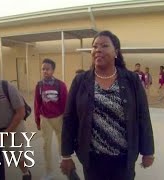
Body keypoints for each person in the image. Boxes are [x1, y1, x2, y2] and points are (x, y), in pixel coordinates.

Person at [60, 30, 155, 180]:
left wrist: (148, 151)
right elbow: (69, 118)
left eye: (104, 46)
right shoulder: (80, 80)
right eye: (95, 46)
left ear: (116, 52)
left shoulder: (132, 80)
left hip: (123, 160)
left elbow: (143, 116)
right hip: (92, 160)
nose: (98, 50)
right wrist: (66, 154)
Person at [34, 58, 68, 180]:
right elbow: (37, 104)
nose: (45, 71)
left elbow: (65, 104)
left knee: (62, 142)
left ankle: (64, 163)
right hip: (45, 119)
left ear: (53, 70)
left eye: (47, 69)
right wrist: (38, 120)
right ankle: (49, 171)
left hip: (58, 118)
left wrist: (66, 120)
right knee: (46, 145)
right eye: (43, 69)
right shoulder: (39, 85)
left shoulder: (60, 85)